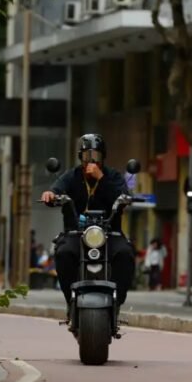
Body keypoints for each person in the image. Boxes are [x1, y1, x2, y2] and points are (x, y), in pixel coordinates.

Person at [40, 133, 136, 320]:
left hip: (110, 233)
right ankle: (71, 301)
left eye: (96, 156)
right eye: (86, 156)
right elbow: (56, 189)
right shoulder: (71, 176)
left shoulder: (113, 176)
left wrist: (101, 179)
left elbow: (123, 195)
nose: (91, 161)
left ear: (103, 158)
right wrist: (50, 194)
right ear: (80, 158)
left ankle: (117, 301)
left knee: (125, 254)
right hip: (76, 232)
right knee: (63, 253)